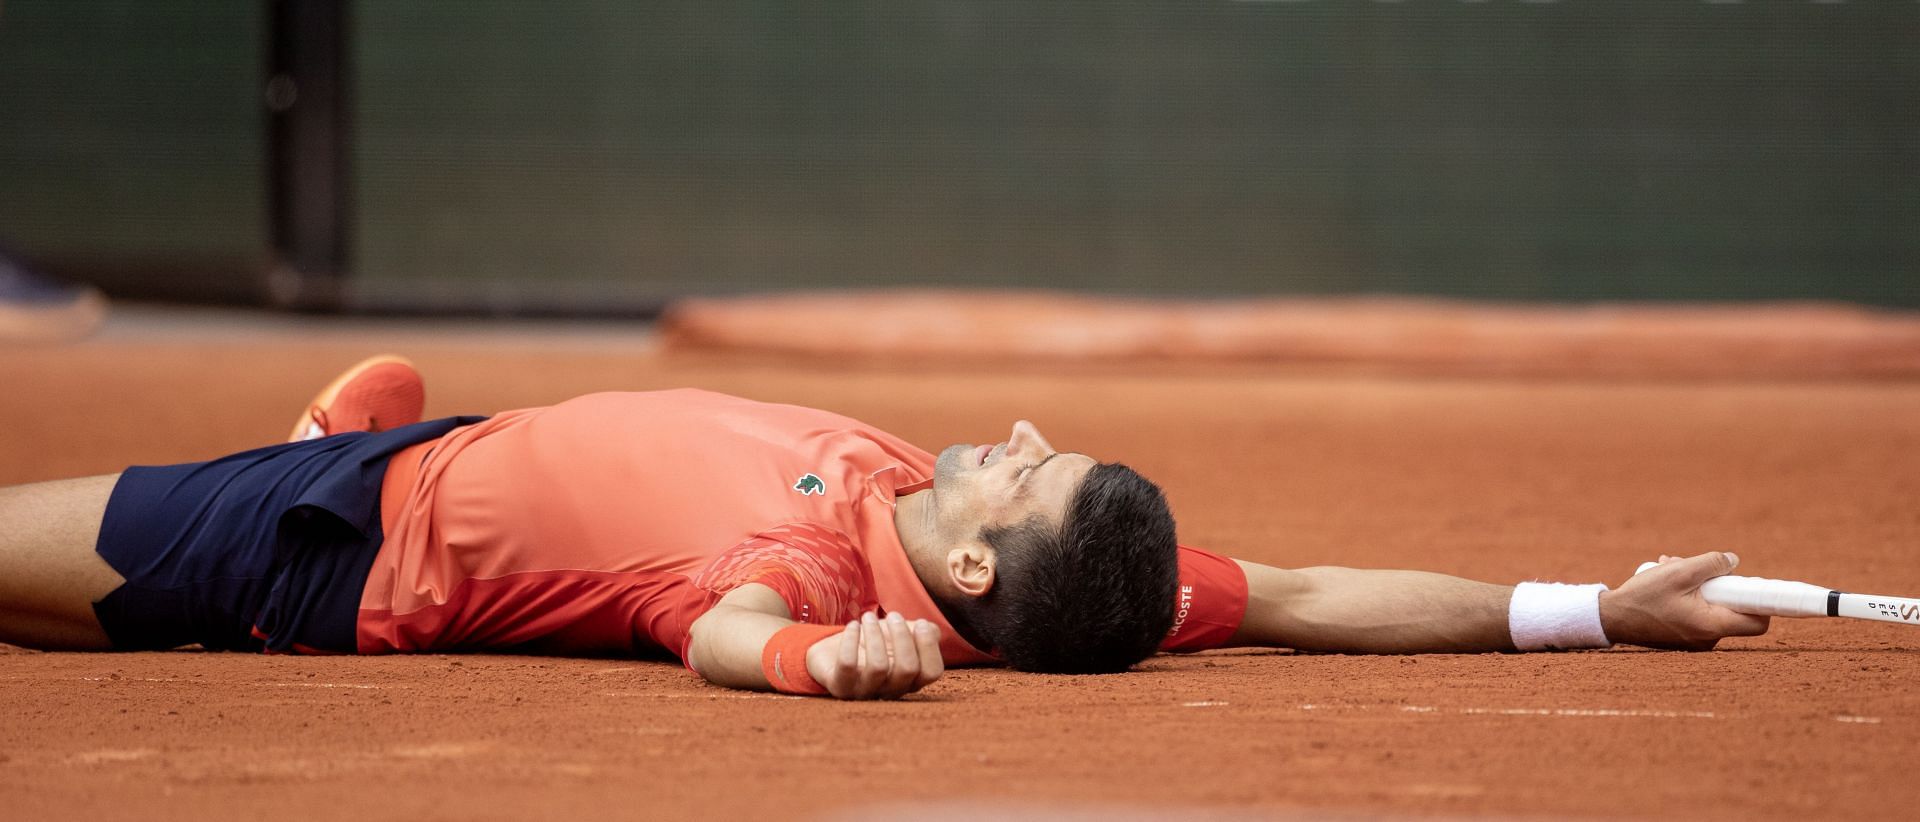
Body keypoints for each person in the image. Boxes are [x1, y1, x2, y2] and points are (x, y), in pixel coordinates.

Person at [0, 356, 1769, 699]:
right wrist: (1599, 609)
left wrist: (814, 663)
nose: (1012, 435)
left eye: (1024, 471)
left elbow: (715, 631)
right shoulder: (1072, 576)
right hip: (445, 438)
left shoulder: (821, 574)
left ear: (974, 573)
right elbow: (1308, 590)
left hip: (321, 540)